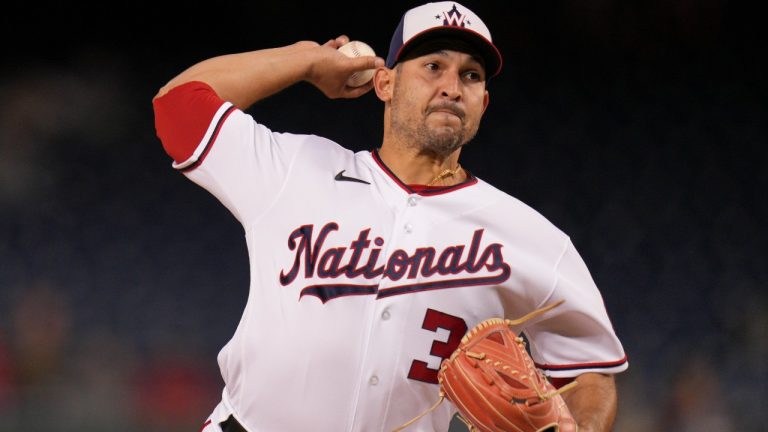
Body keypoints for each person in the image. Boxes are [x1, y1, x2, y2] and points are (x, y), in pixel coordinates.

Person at [152, 2, 628, 431]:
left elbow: (591, 371)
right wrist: (306, 60)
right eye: (433, 67)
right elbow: (177, 106)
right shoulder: (296, 169)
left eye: (470, 76)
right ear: (385, 82)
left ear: (483, 103)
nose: (451, 87)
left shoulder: (527, 236)